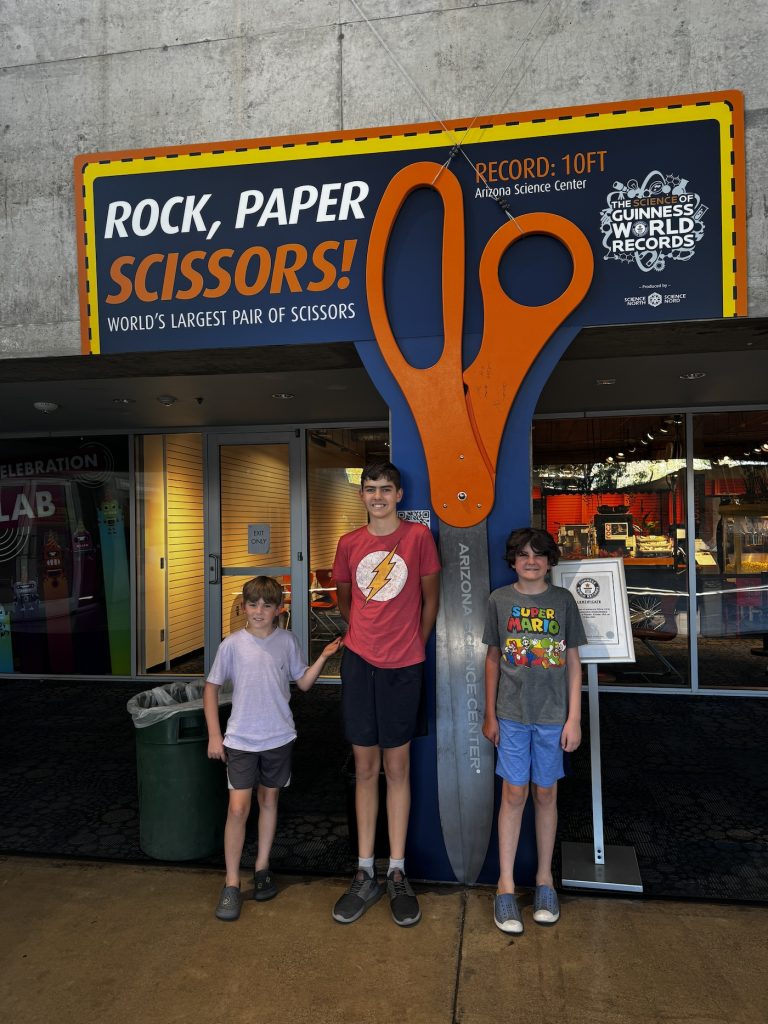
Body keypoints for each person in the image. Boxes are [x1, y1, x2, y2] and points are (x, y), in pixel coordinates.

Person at [331, 461, 440, 927]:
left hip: (403, 667)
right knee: (364, 768)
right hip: (360, 664)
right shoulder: (350, 544)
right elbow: (342, 594)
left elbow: (430, 595)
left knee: (397, 768)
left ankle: (396, 872)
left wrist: (417, 641)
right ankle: (364, 872)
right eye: (370, 489)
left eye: (386, 489)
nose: (378, 496)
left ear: (399, 494)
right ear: (362, 496)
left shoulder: (418, 539)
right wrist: (359, 631)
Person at [204, 574, 342, 921]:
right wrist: (214, 735)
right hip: (241, 739)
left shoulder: (287, 642)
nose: (259, 611)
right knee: (238, 808)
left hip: (279, 736)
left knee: (269, 801)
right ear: (244, 607)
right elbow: (210, 688)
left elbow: (304, 683)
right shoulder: (232, 645)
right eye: (253, 604)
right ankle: (232, 882)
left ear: (279, 609)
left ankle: (262, 868)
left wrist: (324, 656)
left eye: (267, 605)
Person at [481, 527, 586, 934]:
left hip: (552, 717)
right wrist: (489, 714)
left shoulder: (563, 601)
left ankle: (545, 879)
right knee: (514, 792)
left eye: (538, 554)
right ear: (512, 560)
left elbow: (574, 662)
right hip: (510, 714)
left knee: (546, 792)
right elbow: (492, 659)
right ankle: (505, 886)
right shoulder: (499, 600)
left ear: (549, 560)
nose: (530, 561)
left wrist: (573, 717)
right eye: (522, 554)